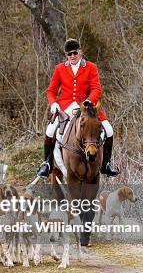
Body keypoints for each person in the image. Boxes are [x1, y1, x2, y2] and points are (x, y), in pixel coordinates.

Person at [36, 38, 120, 178]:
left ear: (80, 52)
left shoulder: (91, 67)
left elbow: (96, 88)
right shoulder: (60, 68)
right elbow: (51, 91)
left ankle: (106, 164)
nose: (72, 56)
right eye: (69, 54)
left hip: (87, 107)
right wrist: (54, 104)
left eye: (75, 53)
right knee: (50, 130)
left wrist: (89, 101)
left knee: (109, 130)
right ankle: (47, 164)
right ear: (66, 55)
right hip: (66, 107)